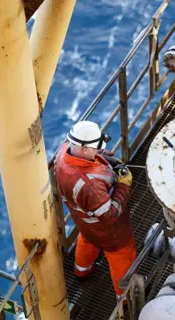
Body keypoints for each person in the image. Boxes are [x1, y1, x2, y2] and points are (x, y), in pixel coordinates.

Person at [54, 120, 137, 300]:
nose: (98, 151)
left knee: (87, 239)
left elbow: (91, 156)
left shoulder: (63, 152)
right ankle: (125, 298)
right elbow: (109, 215)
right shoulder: (90, 185)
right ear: (84, 149)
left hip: (84, 220)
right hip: (108, 231)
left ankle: (81, 271)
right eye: (95, 148)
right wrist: (124, 185)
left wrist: (105, 157)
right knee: (122, 255)